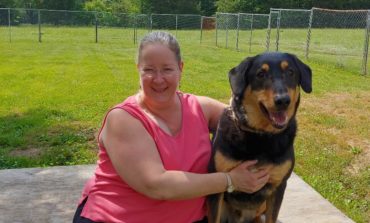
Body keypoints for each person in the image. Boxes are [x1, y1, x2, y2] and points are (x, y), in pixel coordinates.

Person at [73, 31, 270, 223]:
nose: (158, 79)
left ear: (180, 68)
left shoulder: (201, 109)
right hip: (113, 218)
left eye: (167, 69)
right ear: (138, 69)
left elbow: (252, 123)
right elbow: (157, 185)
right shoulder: (123, 119)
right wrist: (231, 180)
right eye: (149, 70)